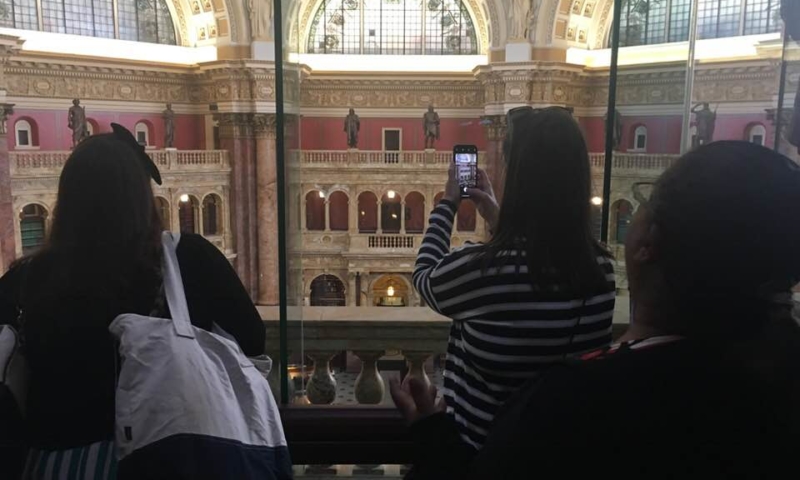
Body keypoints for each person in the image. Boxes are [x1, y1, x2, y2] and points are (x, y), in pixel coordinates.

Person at [393, 141, 800, 479]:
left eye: (644, 203)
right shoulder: (777, 380)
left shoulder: (572, 400)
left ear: (648, 243)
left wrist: (431, 433)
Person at [0, 124, 266, 477]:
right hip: (168, 457)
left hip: (57, 464)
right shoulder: (189, 260)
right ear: (142, 198)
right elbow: (252, 341)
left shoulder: (23, 278)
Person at [408, 107, 616, 452]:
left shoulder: (481, 270)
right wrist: (496, 215)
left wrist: (448, 203)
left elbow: (424, 274)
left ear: (517, 179)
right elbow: (537, 255)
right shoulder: (601, 269)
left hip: (485, 453)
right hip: (560, 450)